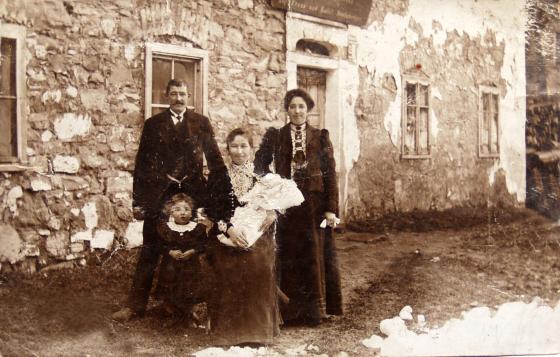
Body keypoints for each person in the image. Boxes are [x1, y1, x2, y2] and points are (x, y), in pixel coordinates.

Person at [112, 79, 229, 322]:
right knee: (151, 248)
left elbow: (215, 160)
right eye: (174, 93)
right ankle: (135, 306)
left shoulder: (201, 123)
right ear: (167, 96)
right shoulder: (154, 124)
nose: (178, 98)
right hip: (161, 193)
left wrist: (218, 197)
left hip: (195, 194)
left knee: (196, 247)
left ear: (189, 97)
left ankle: (197, 304)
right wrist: (139, 202)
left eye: (183, 94)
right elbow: (142, 165)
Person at [254, 88, 342, 326]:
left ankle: (313, 313)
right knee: (289, 255)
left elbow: (330, 175)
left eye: (301, 106)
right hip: (286, 205)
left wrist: (331, 208)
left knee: (312, 256)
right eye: (292, 106)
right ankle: (290, 313)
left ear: (308, 109)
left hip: (313, 206)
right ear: (287, 109)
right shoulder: (277, 135)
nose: (297, 111)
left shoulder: (320, 137)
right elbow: (259, 164)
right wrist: (273, 186)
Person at [208, 128, 280, 346]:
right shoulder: (219, 175)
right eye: (234, 146)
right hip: (226, 234)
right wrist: (230, 230)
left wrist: (270, 214)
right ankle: (229, 332)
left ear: (251, 149)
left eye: (243, 146)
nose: (239, 151)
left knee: (257, 262)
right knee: (230, 265)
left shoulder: (262, 176)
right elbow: (214, 210)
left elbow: (273, 205)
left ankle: (257, 331)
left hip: (257, 234)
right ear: (228, 149)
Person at [153, 192, 209, 321]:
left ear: (191, 212)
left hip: (190, 266)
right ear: (171, 213)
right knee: (170, 288)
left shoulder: (197, 228)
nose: (182, 213)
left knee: (189, 289)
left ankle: (189, 314)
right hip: (170, 266)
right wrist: (170, 252)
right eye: (177, 210)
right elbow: (160, 245)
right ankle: (171, 313)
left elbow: (203, 245)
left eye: (186, 209)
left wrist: (192, 251)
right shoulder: (166, 228)